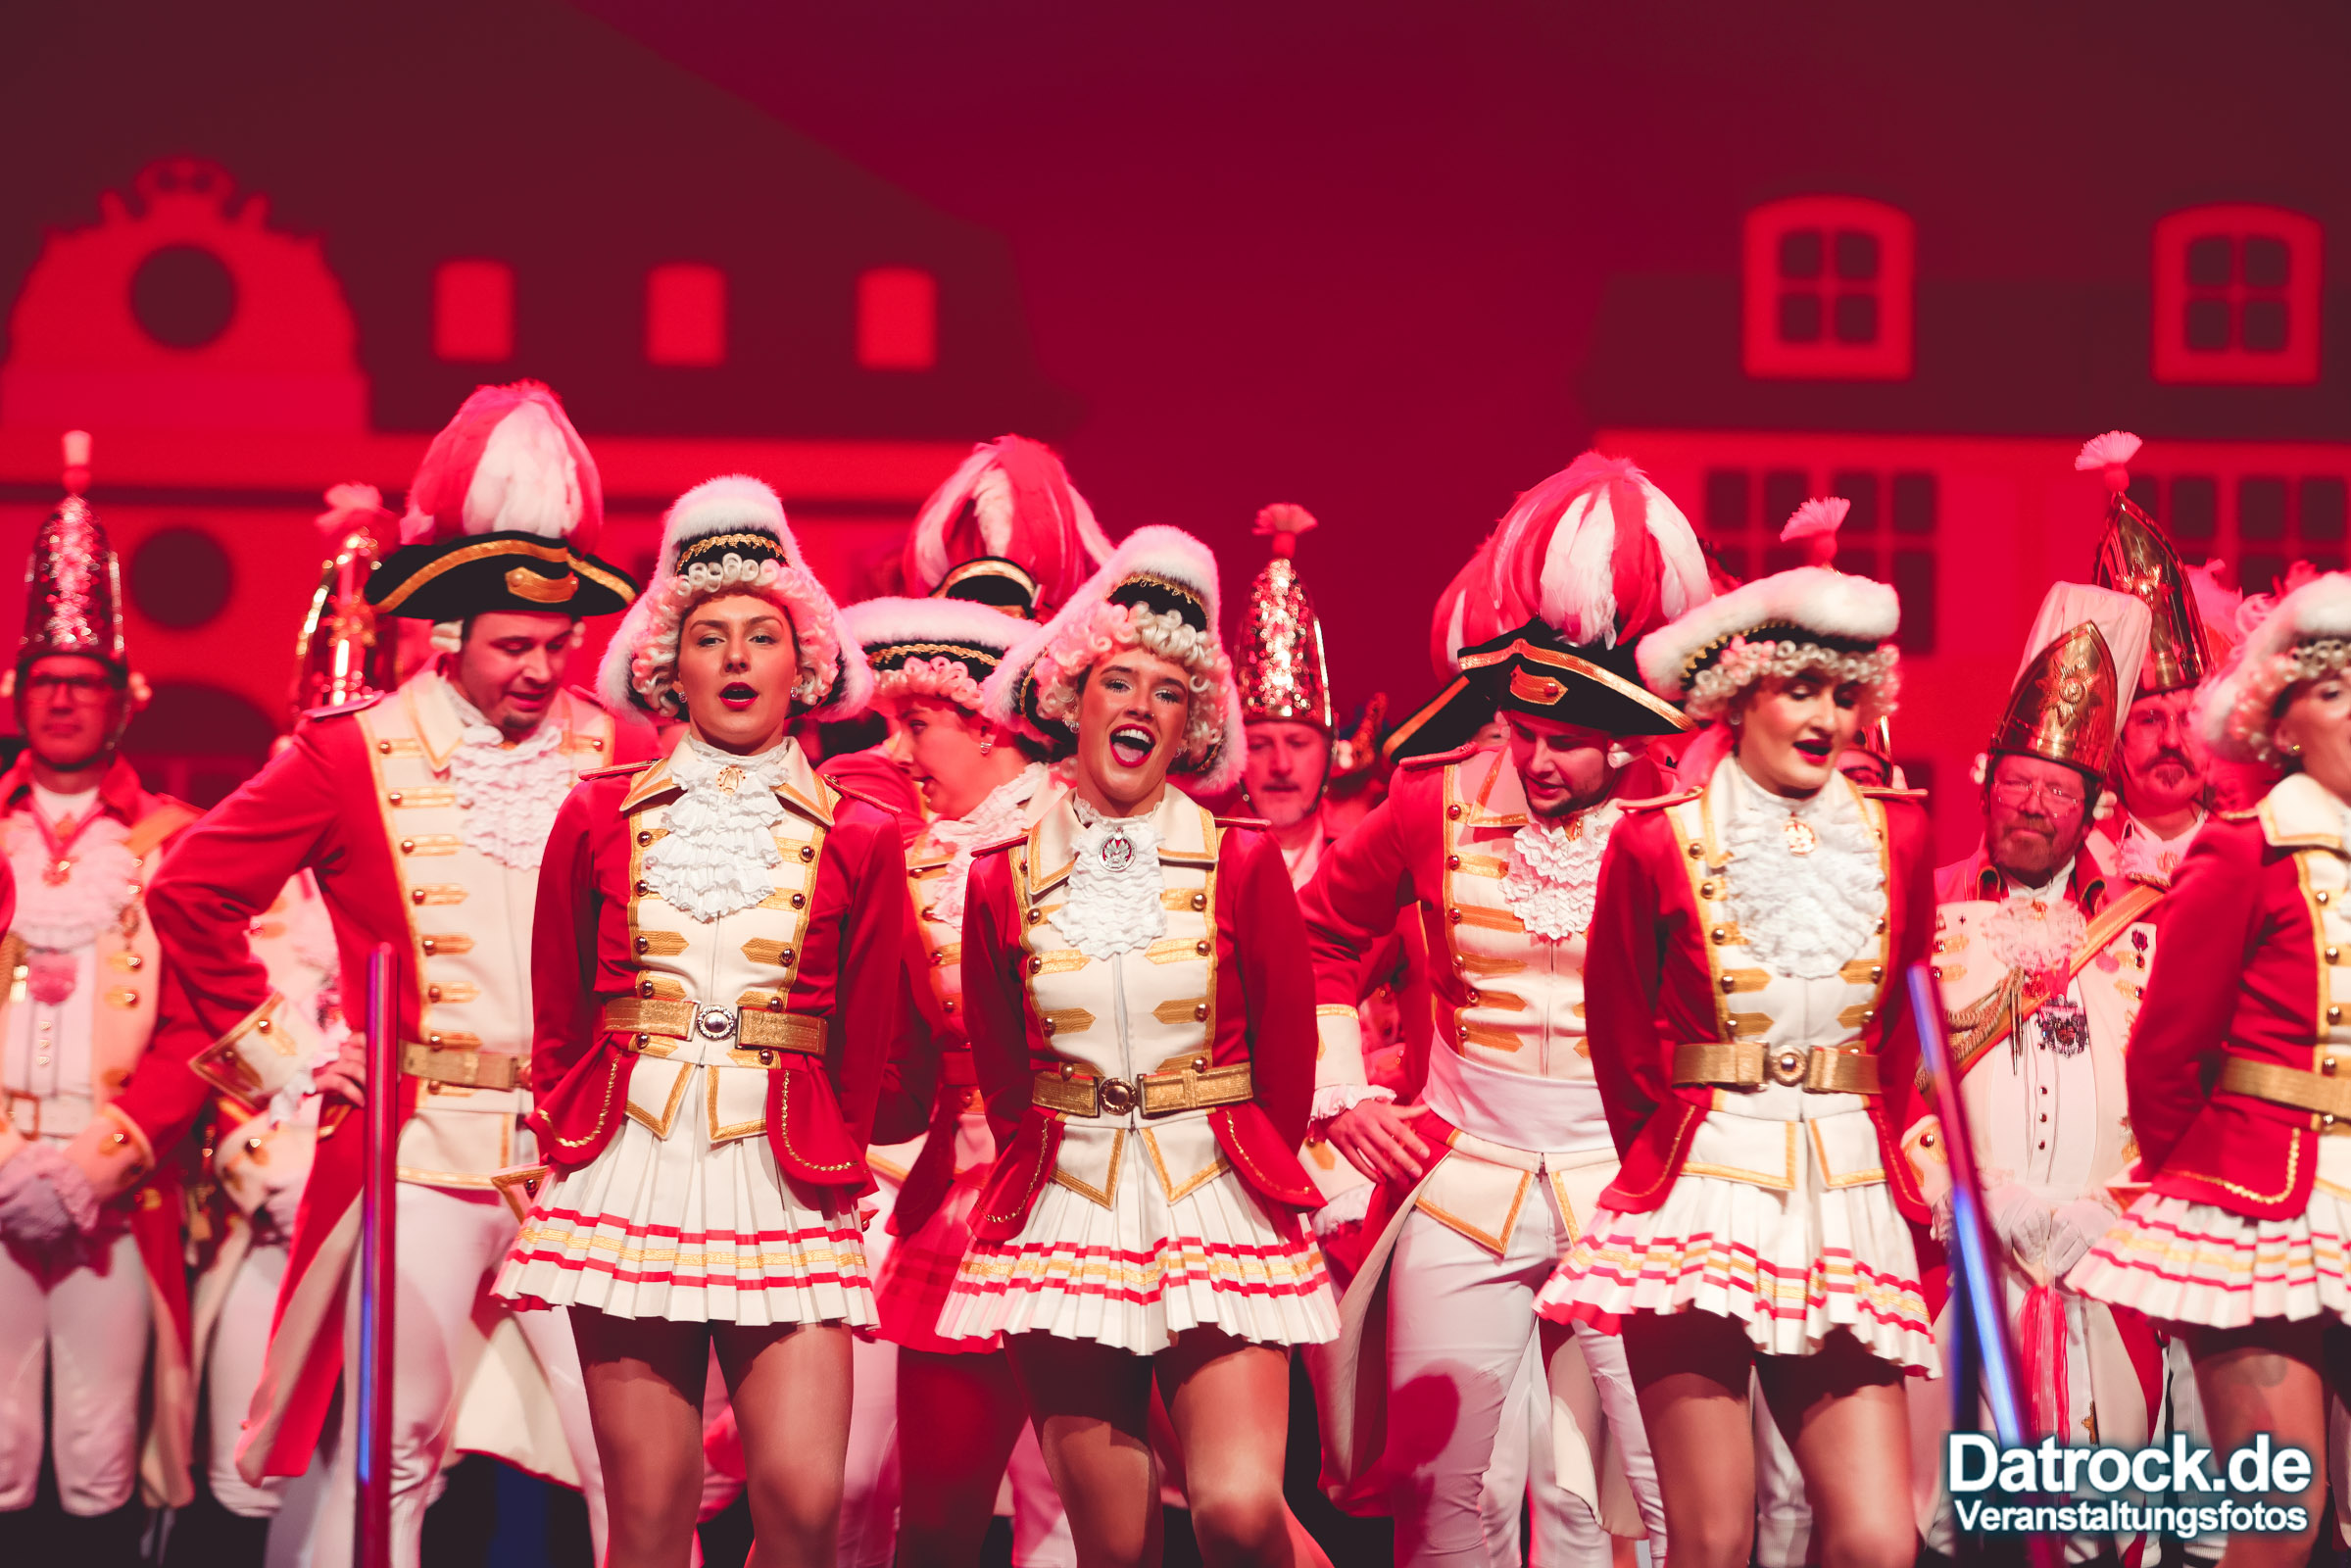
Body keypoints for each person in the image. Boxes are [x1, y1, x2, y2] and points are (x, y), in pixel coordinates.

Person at [144, 382, 638, 1568]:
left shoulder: (619, 748)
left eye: (557, 645)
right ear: (448, 634)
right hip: (417, 1151)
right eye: (513, 646)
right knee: (396, 1452)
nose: (540, 669)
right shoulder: (350, 751)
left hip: (581, 1153)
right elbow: (190, 891)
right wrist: (288, 1061)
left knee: (630, 1450)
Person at [495, 472, 908, 1568]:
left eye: (761, 637)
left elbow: (868, 1031)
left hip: (788, 1174)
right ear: (668, 668)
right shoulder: (596, 812)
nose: (735, 657)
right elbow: (560, 1009)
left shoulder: (858, 832)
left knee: (806, 1507)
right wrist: (575, 1132)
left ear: (801, 666)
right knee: (647, 1518)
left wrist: (827, 1143)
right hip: (630, 1167)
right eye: (709, 637)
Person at [1303, 453, 1695, 1568]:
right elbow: (1314, 934)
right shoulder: (1431, 801)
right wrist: (1340, 1096)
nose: (1534, 760)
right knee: (1440, 1487)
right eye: (1522, 732)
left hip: (1632, 1185)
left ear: (1623, 737)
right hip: (1463, 1177)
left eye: (1563, 741)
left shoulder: (1682, 821)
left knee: (1663, 1490)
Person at [1535, 496, 1935, 1568]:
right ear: (1736, 694)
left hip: (1843, 1197)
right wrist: (1670, 1158)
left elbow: (1900, 1028)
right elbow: (1621, 1037)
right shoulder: (1656, 842)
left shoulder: (1897, 834)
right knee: (1710, 1540)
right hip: (1697, 1191)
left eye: (1843, 693)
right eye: (1798, 688)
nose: (1825, 716)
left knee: (1878, 1541)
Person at [939, 524, 1337, 1567]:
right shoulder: (998, 876)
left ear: (1189, 726)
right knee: (1112, 1547)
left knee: (1238, 1509)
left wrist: (1239, 1170)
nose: (1140, 707)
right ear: (1074, 701)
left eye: (1169, 694)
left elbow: (1285, 1069)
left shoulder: (1239, 862)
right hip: (1065, 1210)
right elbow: (1004, 1067)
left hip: (1214, 1199)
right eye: (1118, 682)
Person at [2066, 568, 2351, 1568]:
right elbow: (2164, 1053)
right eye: (2333, 690)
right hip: (2259, 1211)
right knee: (2282, 1514)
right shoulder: (2243, 850)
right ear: (2279, 725)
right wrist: (2199, 1193)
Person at [1908, 584, 2168, 1563]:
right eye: (2016, 782)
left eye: (2057, 790)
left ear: (2090, 807)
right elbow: (1891, 1089)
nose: (2031, 803)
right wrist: (1971, 1200)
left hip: (2106, 1266)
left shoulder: (2144, 926)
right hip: (1962, 1271)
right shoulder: (1928, 913)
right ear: (1986, 786)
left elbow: (2176, 1098)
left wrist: (2116, 1210)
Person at [0, 448, 203, 1564]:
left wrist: (94, 1165)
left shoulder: (176, 845)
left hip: (115, 1193)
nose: (65, 697)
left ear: (124, 700)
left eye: (85, 680)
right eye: (46, 679)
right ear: (17, 695)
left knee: (99, 1453)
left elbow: (198, 1028)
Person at [843, 591, 1072, 1567]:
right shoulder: (910, 860)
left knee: (1228, 1512)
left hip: (1100, 1199)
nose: (896, 751)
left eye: (917, 724)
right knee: (934, 1524)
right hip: (964, 1206)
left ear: (988, 726)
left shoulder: (1090, 831)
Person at [2080, 432, 2223, 886]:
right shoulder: (2074, 864)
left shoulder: (2251, 854)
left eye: (2189, 718)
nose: (2172, 740)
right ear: (2115, 739)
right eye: (2149, 719)